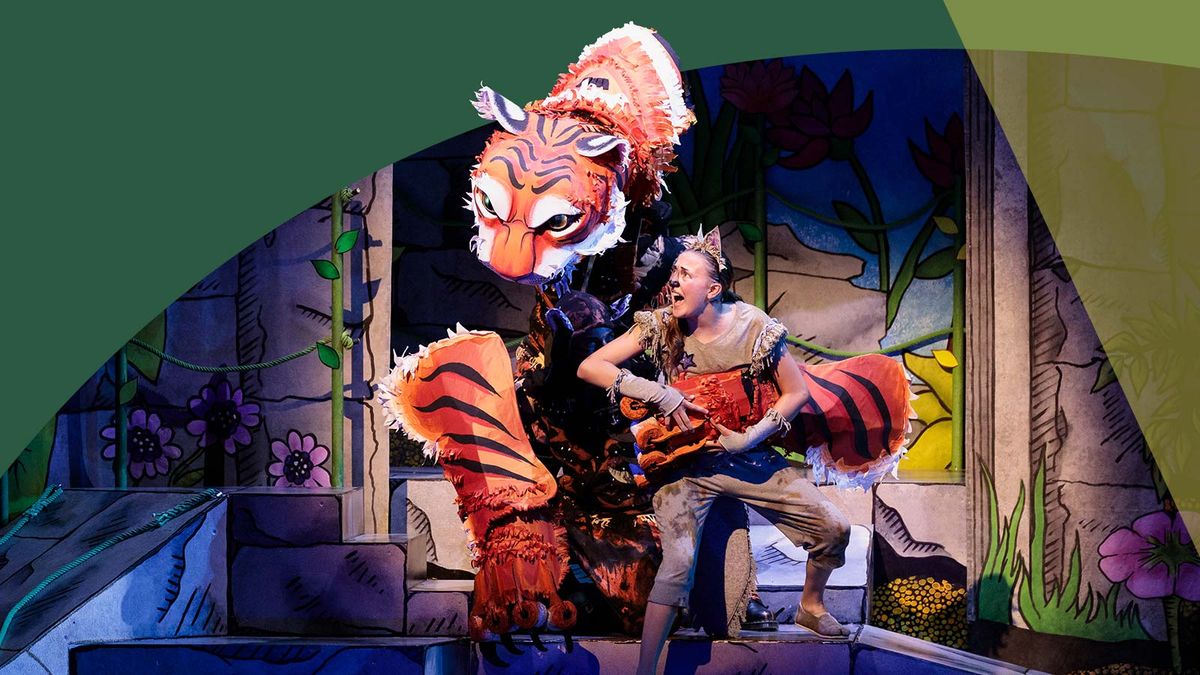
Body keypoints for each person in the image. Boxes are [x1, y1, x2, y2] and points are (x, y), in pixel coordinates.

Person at [577, 228, 852, 674]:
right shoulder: (662, 324)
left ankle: (811, 605)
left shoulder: (753, 326)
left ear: (713, 288)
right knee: (678, 563)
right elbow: (591, 366)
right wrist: (660, 394)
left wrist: (750, 437)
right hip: (685, 464)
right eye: (674, 273)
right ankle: (645, 670)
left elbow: (796, 392)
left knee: (834, 527)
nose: (674, 281)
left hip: (746, 455)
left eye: (686, 274)